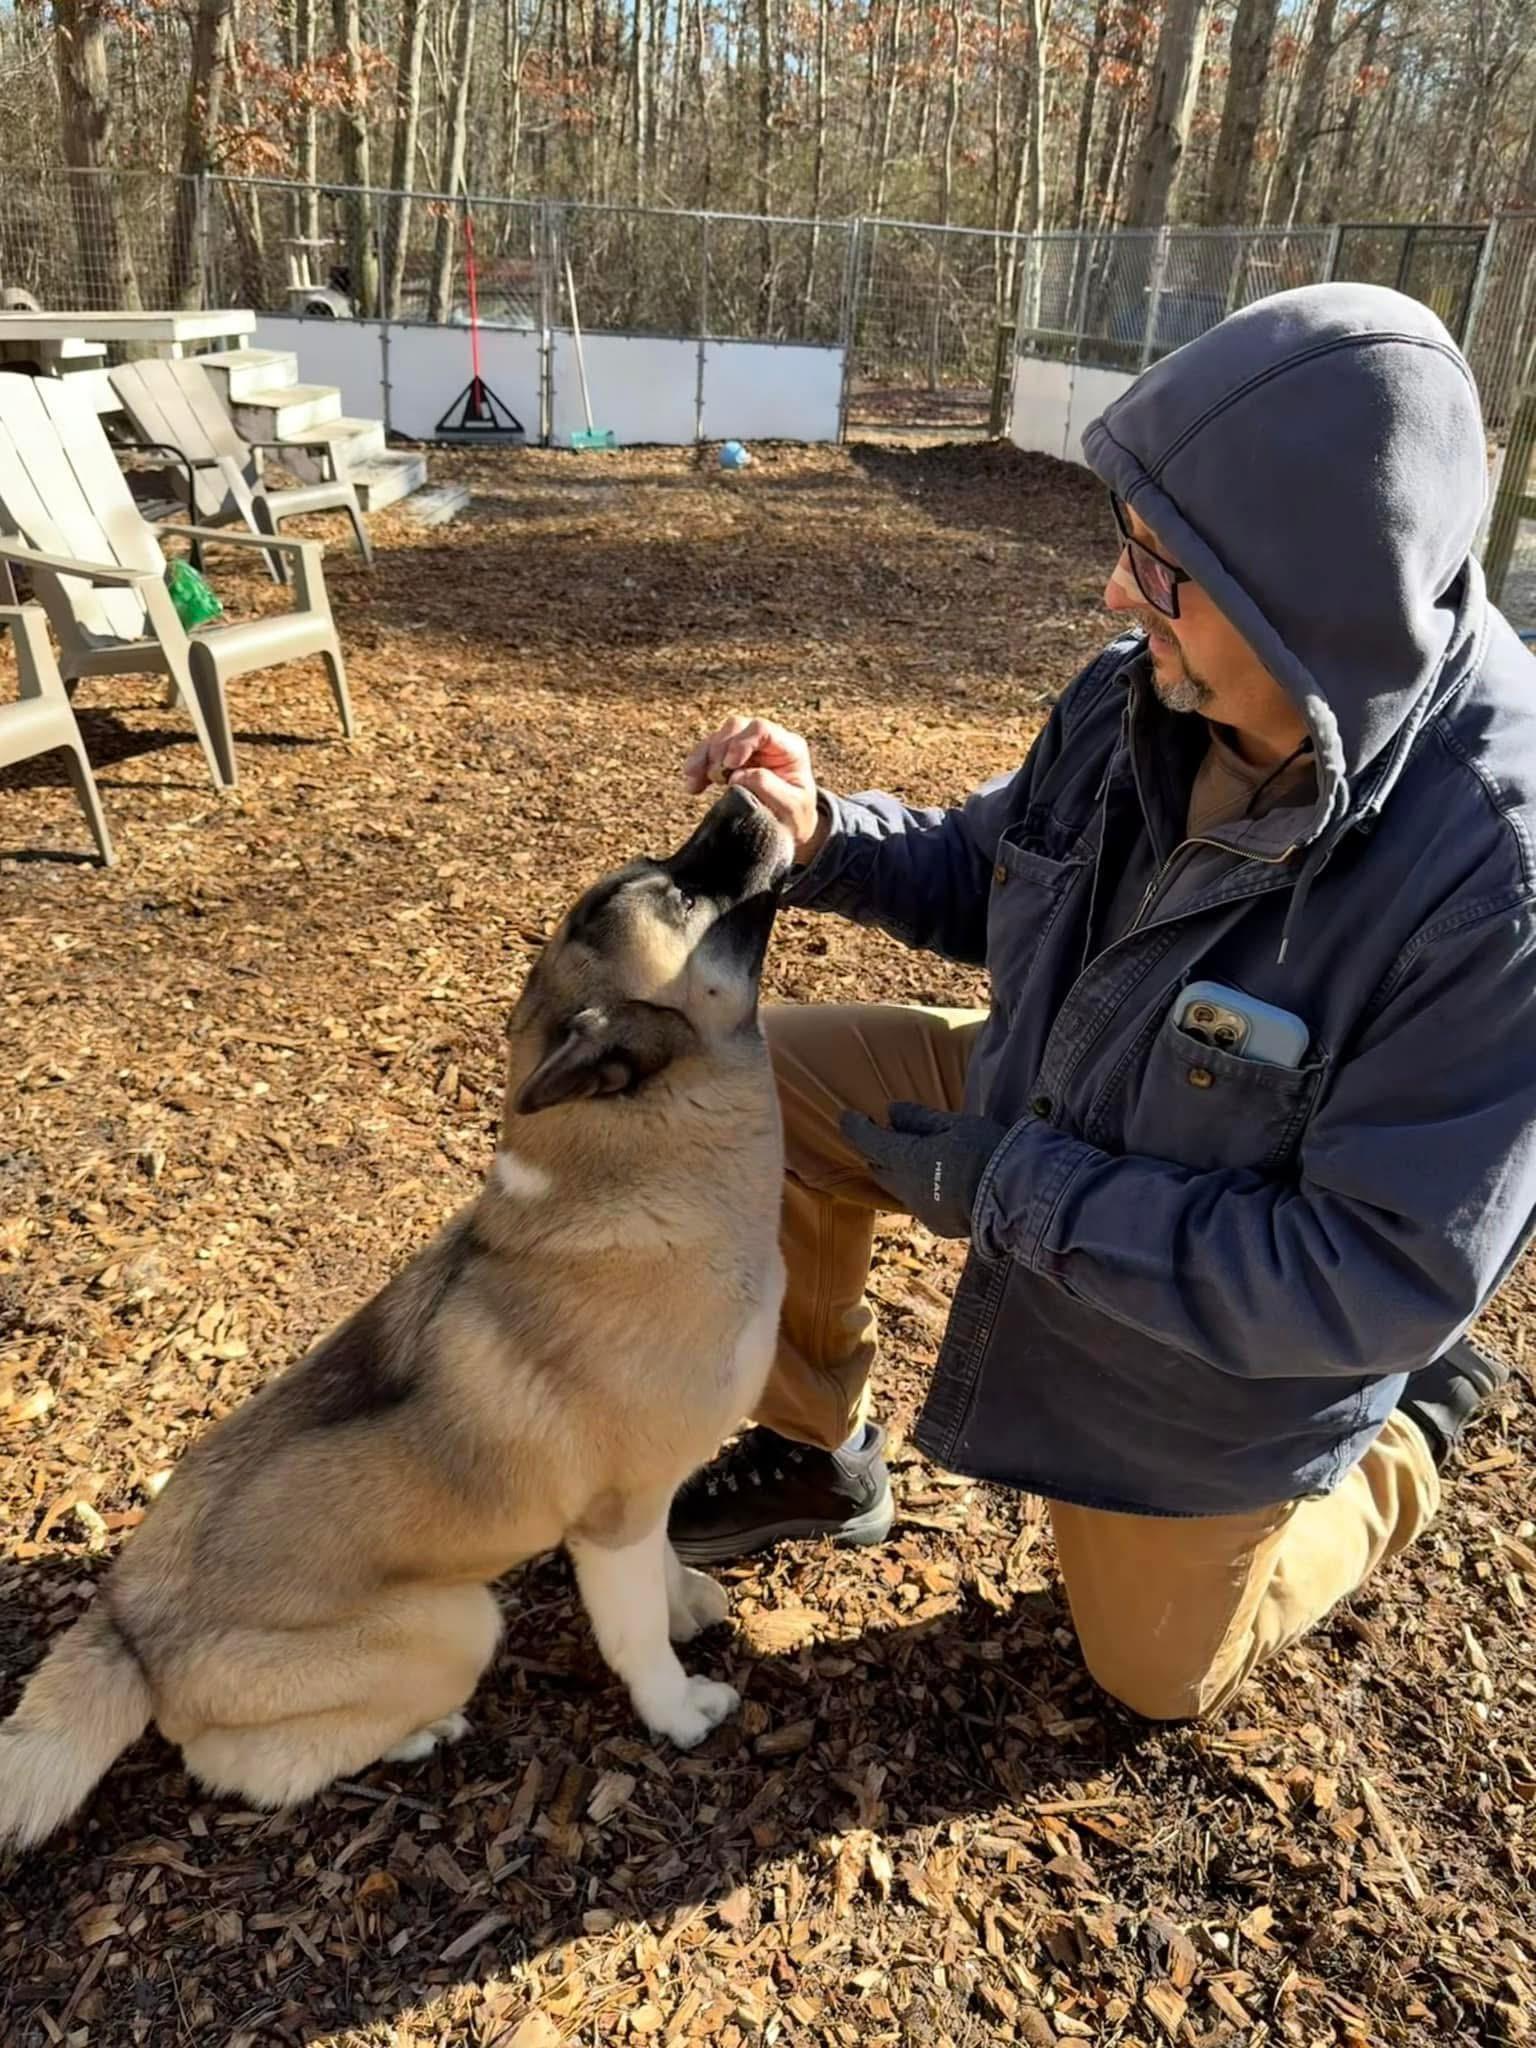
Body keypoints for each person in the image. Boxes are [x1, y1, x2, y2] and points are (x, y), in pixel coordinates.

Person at [667, 281, 1536, 1722]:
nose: (1115, 594)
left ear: (1304, 600)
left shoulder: (1493, 879)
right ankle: (816, 1452)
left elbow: (1370, 1275)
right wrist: (822, 833)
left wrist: (1018, 1192)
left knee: (1157, 1676)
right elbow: (990, 868)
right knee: (750, 1086)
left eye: (1160, 564)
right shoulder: (1147, 688)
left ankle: (1410, 1436)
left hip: (1227, 1342)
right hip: (1073, 1101)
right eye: (1126, 543)